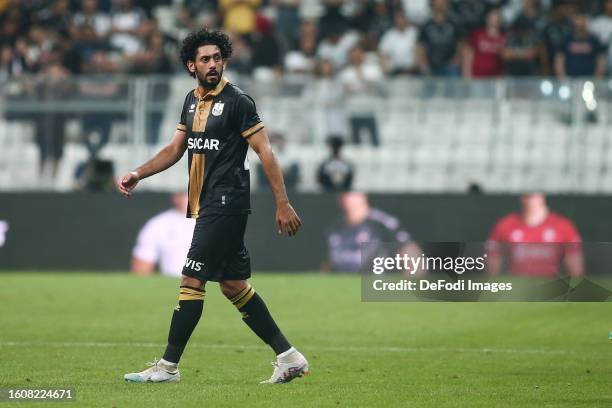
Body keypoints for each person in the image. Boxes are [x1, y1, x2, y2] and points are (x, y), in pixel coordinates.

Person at [118, 29, 308, 384]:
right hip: (208, 204)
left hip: (227, 202)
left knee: (192, 279)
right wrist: (138, 172)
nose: (212, 65)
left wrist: (282, 202)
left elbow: (266, 151)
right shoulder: (191, 100)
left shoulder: (238, 101)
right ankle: (289, 356)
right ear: (191, 65)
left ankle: (168, 367)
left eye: (217, 58)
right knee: (233, 285)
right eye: (205, 59)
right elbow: (176, 149)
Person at [486, 193, 584, 278]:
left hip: (551, 292)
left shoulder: (564, 227)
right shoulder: (504, 225)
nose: (530, 198)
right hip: (517, 291)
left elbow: (576, 272)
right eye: (527, 195)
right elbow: (492, 269)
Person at [323, 192, 421, 273]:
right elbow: (327, 264)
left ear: (363, 195)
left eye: (350, 192)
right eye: (342, 193)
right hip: (342, 288)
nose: (346, 197)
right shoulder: (334, 227)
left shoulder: (382, 223)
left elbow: (410, 253)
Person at [131, 193, 195, 277]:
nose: (186, 197)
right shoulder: (158, 224)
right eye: (182, 193)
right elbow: (141, 269)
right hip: (172, 286)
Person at [555, 11, 607, 78]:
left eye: (583, 19)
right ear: (573, 21)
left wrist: (597, 78)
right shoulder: (566, 40)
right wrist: (563, 78)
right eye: (577, 19)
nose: (580, 23)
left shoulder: (594, 40)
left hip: (590, 81)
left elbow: (601, 60)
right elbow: (559, 60)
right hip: (570, 80)